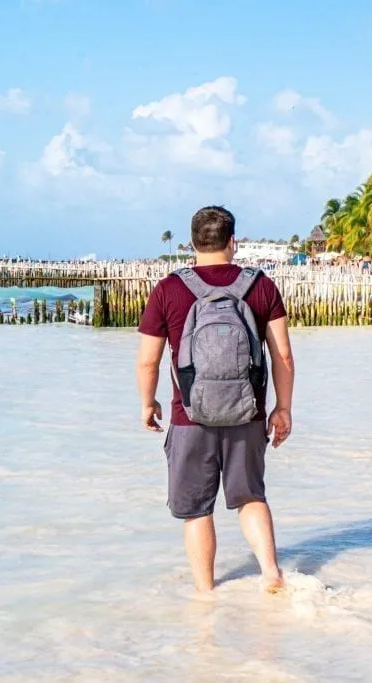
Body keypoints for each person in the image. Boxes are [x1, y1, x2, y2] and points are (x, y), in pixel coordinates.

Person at [137, 206, 293, 595]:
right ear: (232, 242)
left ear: (192, 243)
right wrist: (283, 407)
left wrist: (148, 402)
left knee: (196, 510)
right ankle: (271, 573)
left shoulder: (169, 289)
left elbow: (148, 359)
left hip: (190, 416)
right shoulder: (260, 285)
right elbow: (283, 356)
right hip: (248, 413)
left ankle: (206, 594)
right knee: (251, 497)